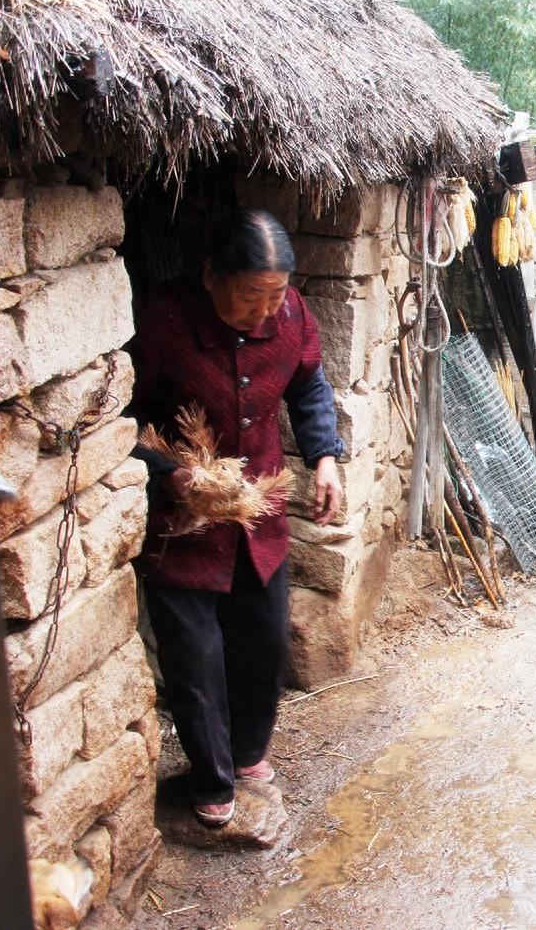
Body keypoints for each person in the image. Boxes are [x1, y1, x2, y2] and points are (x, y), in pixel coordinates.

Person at [128, 209, 345, 826]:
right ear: (209, 277)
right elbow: (123, 415)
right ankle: (210, 778)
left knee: (263, 641)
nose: (264, 314)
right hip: (184, 522)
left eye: (275, 297)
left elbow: (309, 387)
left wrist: (325, 456)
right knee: (194, 657)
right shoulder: (164, 323)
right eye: (251, 297)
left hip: (259, 517)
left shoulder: (293, 317)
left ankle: (249, 754)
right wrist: (168, 468)